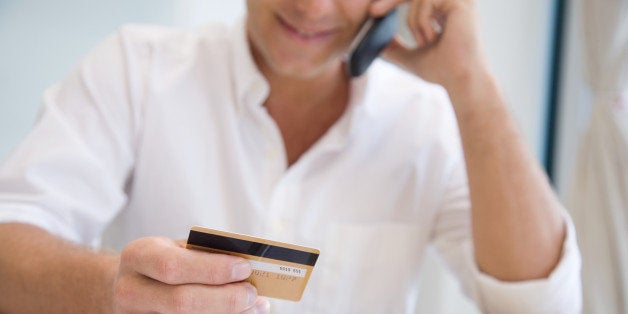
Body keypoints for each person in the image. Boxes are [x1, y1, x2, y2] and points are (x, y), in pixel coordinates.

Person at [0, 0, 581, 313]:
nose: (310, 6)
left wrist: (470, 84)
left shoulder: (427, 120)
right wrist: (111, 293)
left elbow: (545, 307)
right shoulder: (135, 67)